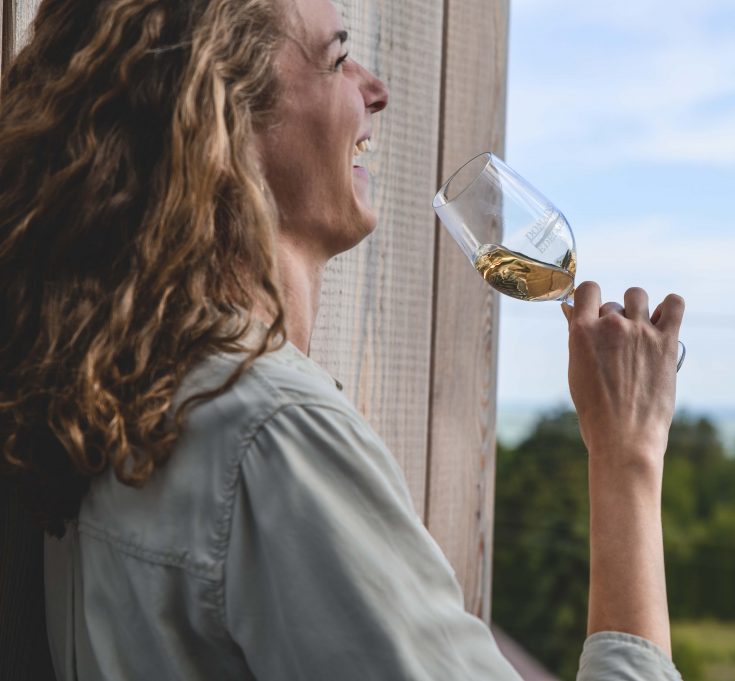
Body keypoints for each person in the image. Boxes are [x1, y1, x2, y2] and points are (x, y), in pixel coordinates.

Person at [0, 0, 687, 679]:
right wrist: (627, 454)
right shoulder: (275, 435)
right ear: (222, 121)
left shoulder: (117, 399)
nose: (377, 89)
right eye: (336, 59)